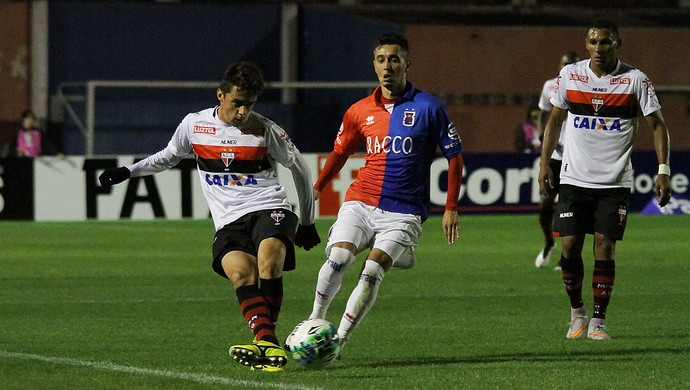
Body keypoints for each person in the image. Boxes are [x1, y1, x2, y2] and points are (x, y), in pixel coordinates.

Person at [98, 61, 321, 372]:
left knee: (269, 261)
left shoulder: (266, 130)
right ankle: (268, 345)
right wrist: (128, 171)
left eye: (249, 104)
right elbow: (168, 156)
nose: (243, 112)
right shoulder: (195, 125)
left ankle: (265, 344)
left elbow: (300, 168)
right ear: (220, 95)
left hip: (268, 206)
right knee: (241, 275)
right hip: (228, 220)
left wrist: (308, 222)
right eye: (237, 103)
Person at [307, 32, 464, 357]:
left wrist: (451, 206)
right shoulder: (358, 110)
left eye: (394, 59)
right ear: (374, 65)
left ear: (407, 63)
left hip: (404, 210)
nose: (387, 66)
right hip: (361, 201)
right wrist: (318, 187)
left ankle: (338, 342)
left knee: (372, 270)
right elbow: (339, 153)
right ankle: (314, 322)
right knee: (338, 258)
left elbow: (455, 156)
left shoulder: (430, 107)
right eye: (381, 60)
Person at [539, 20, 671, 341]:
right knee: (569, 247)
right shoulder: (571, 75)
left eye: (607, 42)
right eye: (594, 42)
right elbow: (555, 119)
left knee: (605, 248)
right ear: (586, 44)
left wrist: (663, 169)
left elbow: (657, 126)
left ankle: (598, 322)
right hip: (573, 178)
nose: (600, 48)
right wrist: (545, 163)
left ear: (618, 44)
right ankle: (576, 314)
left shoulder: (635, 80)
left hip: (614, 182)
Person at [534, 51, 581, 269]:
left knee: (568, 209)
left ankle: (567, 256)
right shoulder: (550, 86)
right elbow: (543, 112)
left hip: (575, 158)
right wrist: (541, 134)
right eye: (565, 64)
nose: (568, 67)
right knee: (545, 207)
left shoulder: (584, 86)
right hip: (554, 156)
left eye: (572, 64)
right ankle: (548, 243)